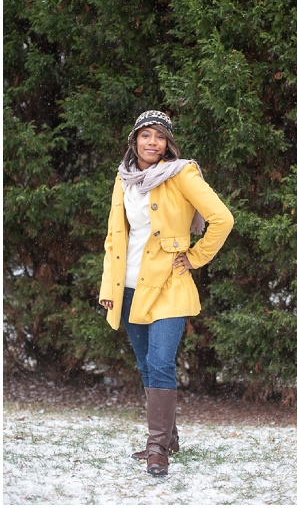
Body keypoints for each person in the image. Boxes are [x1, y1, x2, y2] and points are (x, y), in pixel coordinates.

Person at [99, 109, 234, 476]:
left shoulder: (181, 174)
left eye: (160, 137)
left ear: (168, 143)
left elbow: (223, 218)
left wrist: (195, 256)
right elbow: (115, 238)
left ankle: (157, 447)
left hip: (168, 284)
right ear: (135, 140)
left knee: (160, 362)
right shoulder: (124, 178)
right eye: (146, 135)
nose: (153, 143)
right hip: (127, 286)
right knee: (145, 364)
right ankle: (169, 435)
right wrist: (107, 286)